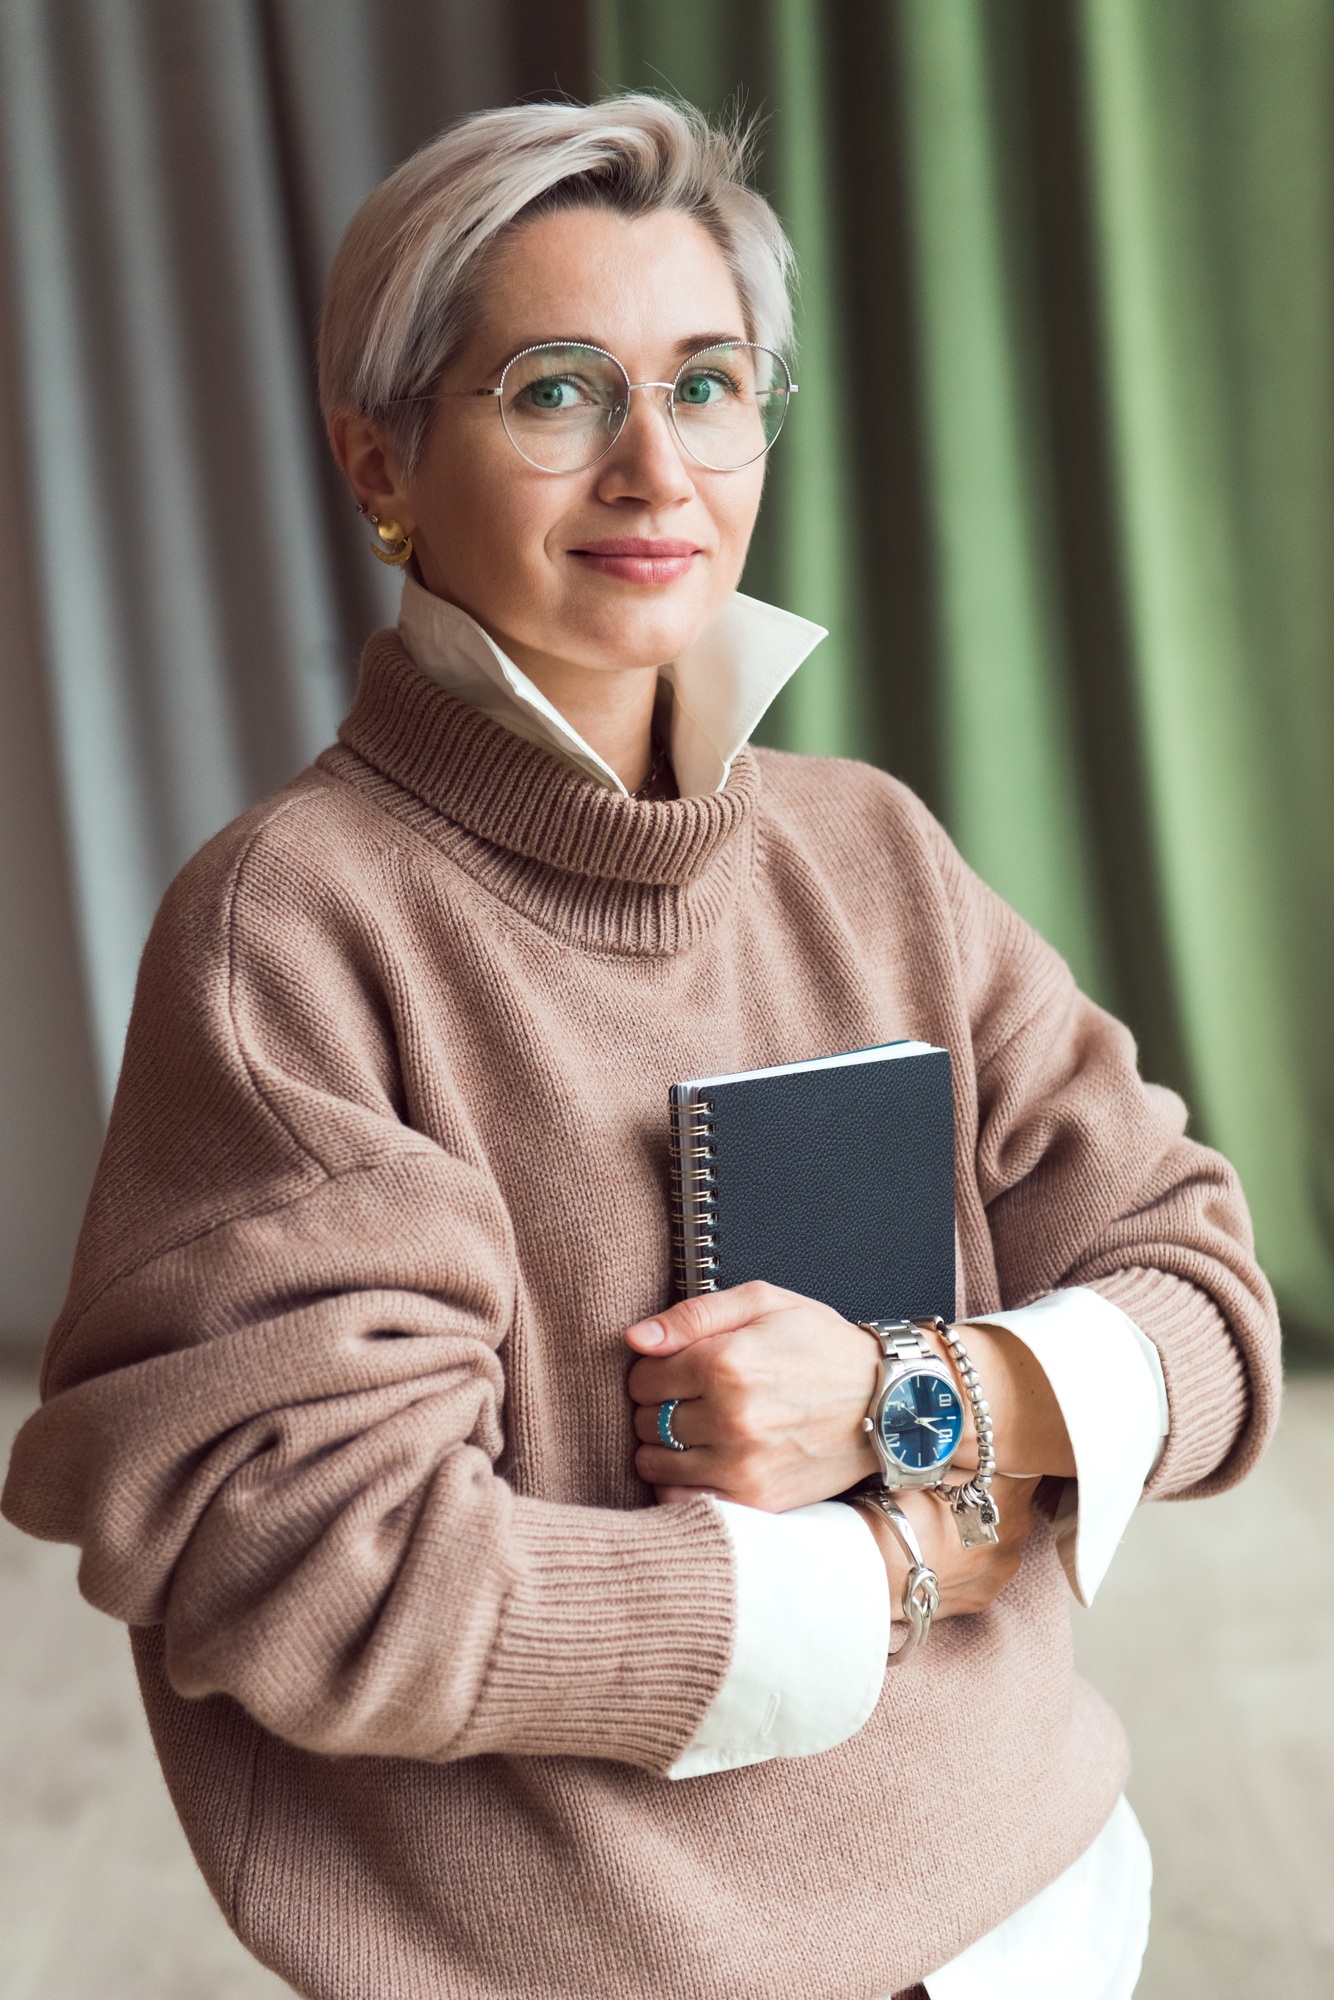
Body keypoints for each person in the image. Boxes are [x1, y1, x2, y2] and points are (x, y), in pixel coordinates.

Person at [2, 95, 1279, 2000]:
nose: (651, 469)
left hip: (1040, 1898)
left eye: (707, 385)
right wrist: (884, 1575)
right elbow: (320, 1563)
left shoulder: (869, 849)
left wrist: (903, 1404)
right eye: (550, 389)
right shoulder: (297, 928)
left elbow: (1201, 1287)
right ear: (382, 459)